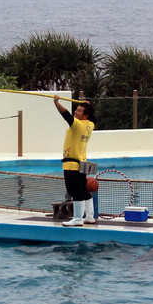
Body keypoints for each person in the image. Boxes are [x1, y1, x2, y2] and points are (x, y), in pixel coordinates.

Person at [54, 95, 96, 227]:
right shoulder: (90, 124)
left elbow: (65, 114)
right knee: (83, 189)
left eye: (79, 111)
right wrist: (87, 104)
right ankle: (89, 216)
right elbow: (88, 113)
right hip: (82, 162)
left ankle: (78, 219)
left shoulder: (77, 124)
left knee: (75, 191)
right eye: (76, 109)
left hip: (72, 164)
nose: (75, 112)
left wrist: (56, 102)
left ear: (85, 115)